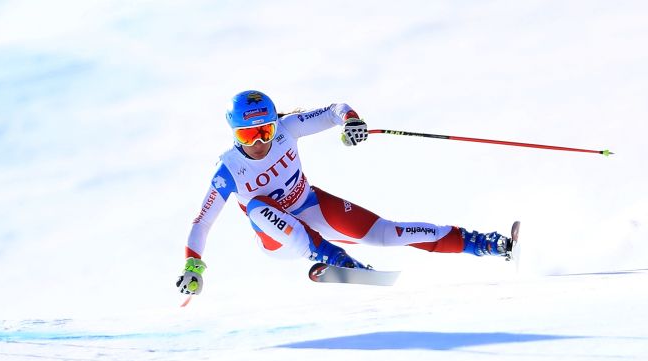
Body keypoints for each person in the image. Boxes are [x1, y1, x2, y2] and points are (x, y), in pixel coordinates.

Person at [177, 90, 514, 295]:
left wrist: (351, 121)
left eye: (265, 130)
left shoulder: (287, 129)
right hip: (278, 239)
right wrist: (193, 267)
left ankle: (489, 244)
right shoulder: (228, 170)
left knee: (388, 233)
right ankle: (337, 261)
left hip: (311, 207)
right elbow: (202, 223)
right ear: (235, 136)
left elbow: (333, 110)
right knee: (257, 207)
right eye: (250, 137)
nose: (261, 143)